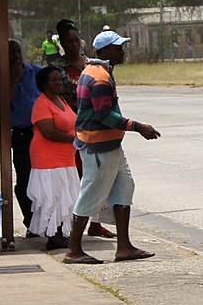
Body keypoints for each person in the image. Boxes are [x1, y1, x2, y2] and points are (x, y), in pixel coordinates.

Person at [63, 30, 161, 265]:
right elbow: (104, 114)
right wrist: (138, 127)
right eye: (118, 47)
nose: (123, 50)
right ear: (104, 51)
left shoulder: (100, 72)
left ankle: (124, 247)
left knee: (124, 188)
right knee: (91, 194)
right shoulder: (98, 77)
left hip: (109, 145)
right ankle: (73, 250)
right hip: (98, 147)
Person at [52, 18, 115, 240]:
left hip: (95, 126)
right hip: (73, 128)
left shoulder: (90, 63)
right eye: (70, 41)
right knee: (78, 178)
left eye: (77, 40)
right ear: (62, 42)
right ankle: (69, 225)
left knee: (98, 176)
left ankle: (96, 223)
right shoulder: (57, 68)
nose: (74, 45)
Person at [26, 66, 80, 251]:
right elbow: (48, 132)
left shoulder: (61, 100)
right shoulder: (42, 103)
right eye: (54, 80)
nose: (59, 83)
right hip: (48, 160)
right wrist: (76, 139)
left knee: (66, 196)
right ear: (44, 84)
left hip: (66, 158)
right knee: (53, 196)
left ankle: (63, 232)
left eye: (60, 79)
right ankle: (53, 235)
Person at [6, 39, 41, 234]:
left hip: (41, 133)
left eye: (18, 51)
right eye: (11, 53)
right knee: (24, 181)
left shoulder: (36, 73)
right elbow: (3, 102)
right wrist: (14, 78)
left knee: (44, 179)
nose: (16, 56)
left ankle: (47, 221)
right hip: (21, 135)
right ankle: (32, 223)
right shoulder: (1, 79)